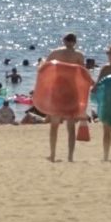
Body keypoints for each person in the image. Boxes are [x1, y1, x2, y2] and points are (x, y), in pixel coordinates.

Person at [45, 33, 85, 162]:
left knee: (54, 125)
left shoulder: (55, 53)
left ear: (64, 41)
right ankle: (70, 156)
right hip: (72, 90)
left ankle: (52, 154)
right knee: (71, 125)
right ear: (75, 42)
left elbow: (44, 67)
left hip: (58, 89)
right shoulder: (79, 55)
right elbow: (82, 73)